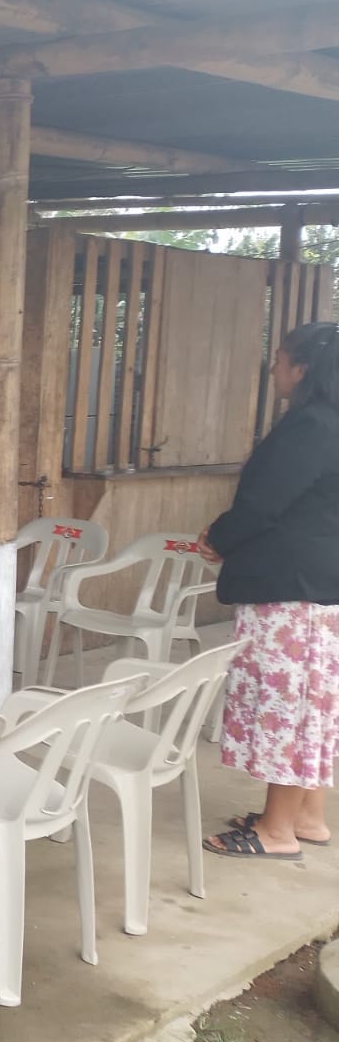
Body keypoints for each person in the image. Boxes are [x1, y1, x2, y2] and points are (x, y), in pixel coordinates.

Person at [198, 320, 339, 859]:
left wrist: (220, 537)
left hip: (291, 588)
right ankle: (305, 816)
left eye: (278, 359)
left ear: (301, 368)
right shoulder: (330, 422)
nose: (273, 369)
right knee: (312, 702)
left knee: (287, 704)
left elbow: (263, 504)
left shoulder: (312, 426)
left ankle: (275, 830)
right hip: (316, 581)